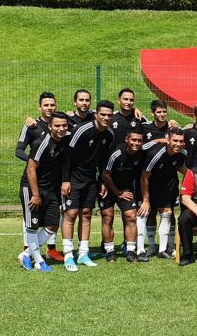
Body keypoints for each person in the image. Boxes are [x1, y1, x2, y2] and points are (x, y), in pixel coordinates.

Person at [60, 100, 115, 271]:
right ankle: (68, 254)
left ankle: (83, 253)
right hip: (74, 178)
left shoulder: (109, 135)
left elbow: (103, 162)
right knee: (71, 214)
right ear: (96, 114)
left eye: (109, 115)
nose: (106, 118)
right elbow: (67, 156)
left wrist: (101, 182)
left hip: (91, 179)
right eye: (103, 114)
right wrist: (65, 180)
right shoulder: (81, 130)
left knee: (87, 213)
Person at [18, 112, 69, 272]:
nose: (61, 128)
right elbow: (31, 170)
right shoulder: (41, 143)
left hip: (51, 190)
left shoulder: (64, 140)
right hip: (32, 189)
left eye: (64, 125)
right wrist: (35, 194)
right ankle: (39, 261)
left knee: (53, 223)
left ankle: (26, 254)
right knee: (32, 227)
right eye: (57, 126)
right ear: (49, 127)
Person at [139, 129, 188, 260]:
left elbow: (180, 167)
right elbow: (144, 176)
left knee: (167, 214)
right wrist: (145, 199)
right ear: (168, 140)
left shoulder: (183, 153)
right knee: (149, 214)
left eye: (181, 141)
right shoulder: (156, 154)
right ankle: (150, 247)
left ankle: (163, 249)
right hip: (151, 185)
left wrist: (196, 177)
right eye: (175, 141)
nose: (178, 144)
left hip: (168, 187)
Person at [102, 128, 147, 263]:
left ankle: (131, 251)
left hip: (126, 189)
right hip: (110, 188)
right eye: (134, 140)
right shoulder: (116, 153)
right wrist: (117, 192)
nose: (136, 143)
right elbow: (105, 174)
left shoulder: (142, 153)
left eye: (139, 141)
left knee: (131, 216)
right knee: (107, 217)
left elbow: (156, 143)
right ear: (127, 139)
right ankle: (110, 251)